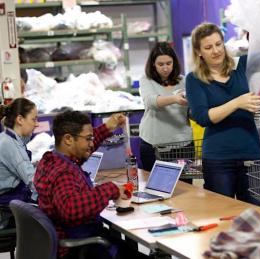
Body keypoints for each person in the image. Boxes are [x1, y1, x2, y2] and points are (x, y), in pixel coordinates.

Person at [34, 110, 146, 259]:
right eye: (88, 139)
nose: (92, 144)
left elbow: (84, 149)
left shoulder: (52, 160)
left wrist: (107, 127)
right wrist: (110, 189)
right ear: (68, 139)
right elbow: (71, 208)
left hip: (79, 239)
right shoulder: (63, 173)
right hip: (82, 246)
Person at [185, 23, 260, 203]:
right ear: (198, 52)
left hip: (251, 153)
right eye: (208, 47)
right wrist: (237, 102)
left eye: (218, 44)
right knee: (222, 214)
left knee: (256, 213)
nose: (215, 51)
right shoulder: (194, 79)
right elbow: (203, 117)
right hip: (218, 159)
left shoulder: (242, 65)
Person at [139, 42, 193, 172]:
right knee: (156, 188)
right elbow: (150, 102)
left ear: (174, 62)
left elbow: (190, 112)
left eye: (169, 63)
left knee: (185, 188)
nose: (165, 68)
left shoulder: (184, 81)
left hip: (182, 144)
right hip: (153, 144)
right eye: (160, 64)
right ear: (153, 64)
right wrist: (174, 98)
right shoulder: (146, 80)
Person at [0, 98, 38, 228]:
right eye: (34, 119)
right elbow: (33, 181)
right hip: (6, 215)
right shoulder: (10, 145)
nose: (36, 124)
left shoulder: (7, 137)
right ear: (20, 119)